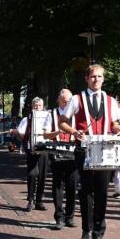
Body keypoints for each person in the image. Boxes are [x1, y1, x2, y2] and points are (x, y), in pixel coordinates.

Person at [59, 64, 120, 239]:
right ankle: (86, 231)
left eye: (100, 77)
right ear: (87, 78)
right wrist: (74, 132)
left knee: (102, 192)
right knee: (86, 190)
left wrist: (118, 130)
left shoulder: (111, 101)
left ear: (103, 79)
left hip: (105, 151)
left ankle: (98, 233)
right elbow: (62, 122)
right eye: (93, 76)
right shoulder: (77, 99)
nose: (97, 80)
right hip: (84, 149)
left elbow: (115, 123)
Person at [43, 89, 79, 230]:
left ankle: (70, 216)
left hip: (73, 153)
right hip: (56, 152)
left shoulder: (76, 115)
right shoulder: (51, 114)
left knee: (72, 185)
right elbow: (45, 135)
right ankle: (59, 217)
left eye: (69, 101)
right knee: (58, 185)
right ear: (58, 100)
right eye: (64, 101)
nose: (67, 104)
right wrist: (57, 132)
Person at [12, 97, 49, 212]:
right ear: (32, 106)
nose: (37, 107)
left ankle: (39, 201)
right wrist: (17, 132)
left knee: (42, 175)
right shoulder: (26, 119)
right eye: (35, 105)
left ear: (43, 107)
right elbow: (22, 136)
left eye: (39, 105)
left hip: (44, 149)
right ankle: (30, 200)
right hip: (31, 149)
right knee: (32, 174)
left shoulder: (48, 118)